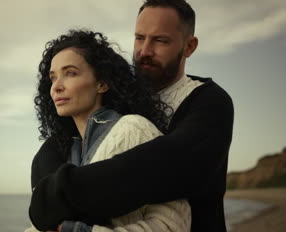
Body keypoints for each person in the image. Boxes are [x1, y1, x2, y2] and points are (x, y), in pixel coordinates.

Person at [29, 0, 234, 232]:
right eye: (139, 38)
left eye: (160, 40)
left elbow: (172, 165)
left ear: (189, 46)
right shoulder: (117, 98)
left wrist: (62, 193)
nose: (145, 50)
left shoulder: (208, 101)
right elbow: (53, 152)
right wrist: (46, 197)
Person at [26, 29, 191, 232]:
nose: (57, 87)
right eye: (53, 78)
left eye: (70, 73)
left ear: (102, 83)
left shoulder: (134, 129)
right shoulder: (67, 150)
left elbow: (174, 225)